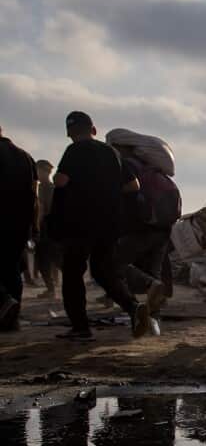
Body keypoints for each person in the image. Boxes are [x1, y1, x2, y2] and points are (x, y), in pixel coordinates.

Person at [49, 111, 151, 342]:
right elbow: (133, 185)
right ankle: (133, 308)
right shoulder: (111, 152)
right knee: (103, 271)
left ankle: (80, 327)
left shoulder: (75, 150)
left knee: (73, 272)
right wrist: (109, 194)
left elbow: (62, 181)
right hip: (109, 223)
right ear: (93, 129)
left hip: (79, 222)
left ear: (69, 133)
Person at [112, 141, 179, 317]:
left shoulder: (127, 166)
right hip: (162, 226)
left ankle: (140, 298)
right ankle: (153, 313)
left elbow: (127, 195)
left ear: (121, 148)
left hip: (141, 226)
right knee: (153, 269)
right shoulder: (149, 167)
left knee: (113, 264)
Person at [0, 126, 37, 330]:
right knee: (11, 269)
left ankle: (5, 302)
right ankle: (11, 321)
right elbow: (35, 197)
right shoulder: (25, 157)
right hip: (20, 223)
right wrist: (34, 225)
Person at [33, 159, 60, 299]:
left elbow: (43, 209)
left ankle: (51, 290)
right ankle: (54, 287)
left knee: (43, 259)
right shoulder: (52, 187)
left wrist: (36, 227)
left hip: (46, 228)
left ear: (44, 171)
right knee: (54, 258)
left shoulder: (44, 187)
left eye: (38, 170)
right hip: (54, 227)